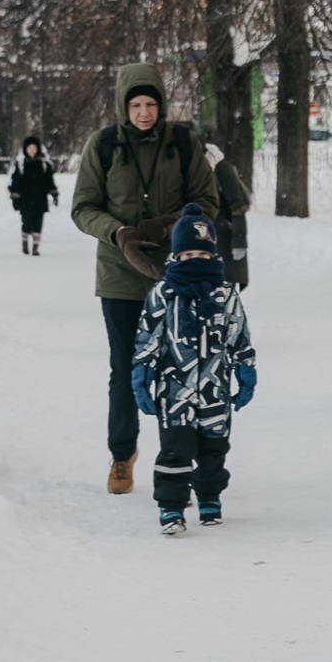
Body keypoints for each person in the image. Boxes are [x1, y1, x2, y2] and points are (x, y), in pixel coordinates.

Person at [71, 63, 220, 494]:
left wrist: (168, 226)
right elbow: (83, 207)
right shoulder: (101, 146)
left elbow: (207, 200)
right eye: (135, 105)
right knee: (125, 367)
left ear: (161, 104)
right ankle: (122, 453)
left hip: (177, 275)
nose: (143, 113)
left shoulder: (183, 143)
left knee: (179, 367)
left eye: (150, 104)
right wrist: (118, 232)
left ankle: (176, 456)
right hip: (118, 276)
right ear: (123, 105)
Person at [131, 205, 256, 536]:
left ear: (213, 254)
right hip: (175, 391)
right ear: (175, 256)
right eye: (188, 253)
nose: (195, 259)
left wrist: (246, 369)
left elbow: (239, 334)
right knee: (175, 449)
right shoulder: (164, 294)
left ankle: (210, 497)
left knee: (214, 449)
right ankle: (171, 507)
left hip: (215, 388)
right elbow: (148, 339)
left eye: (202, 252)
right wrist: (142, 374)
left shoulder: (226, 294)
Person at [206, 143, 253, 288]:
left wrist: (239, 241)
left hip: (224, 239)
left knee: (224, 291)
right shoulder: (197, 170)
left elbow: (238, 207)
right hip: (211, 238)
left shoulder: (221, 169)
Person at [8, 136, 59, 256]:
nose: (32, 150)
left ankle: (35, 247)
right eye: (30, 148)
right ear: (26, 149)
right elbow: (15, 182)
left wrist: (54, 194)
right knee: (26, 221)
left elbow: (49, 181)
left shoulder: (44, 165)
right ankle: (25, 242)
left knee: (38, 222)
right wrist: (15, 196)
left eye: (34, 148)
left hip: (40, 199)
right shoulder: (21, 164)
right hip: (25, 199)